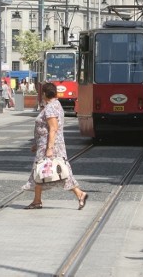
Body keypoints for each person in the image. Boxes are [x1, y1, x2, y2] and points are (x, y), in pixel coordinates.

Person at [22, 82, 88, 210]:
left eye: (42, 94)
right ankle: (37, 200)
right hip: (46, 144)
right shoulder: (56, 105)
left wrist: (49, 149)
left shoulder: (51, 107)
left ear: (45, 94)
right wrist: (37, 143)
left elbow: (53, 129)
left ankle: (80, 194)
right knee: (44, 171)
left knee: (53, 171)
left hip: (50, 146)